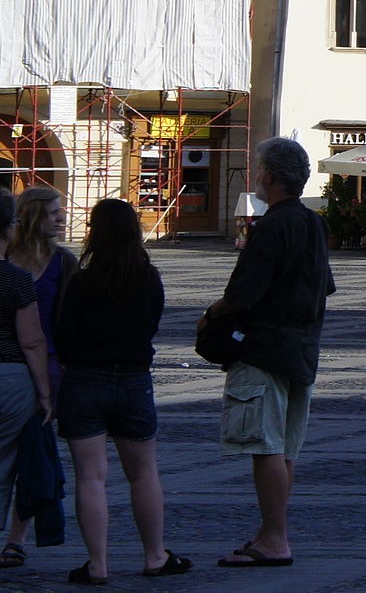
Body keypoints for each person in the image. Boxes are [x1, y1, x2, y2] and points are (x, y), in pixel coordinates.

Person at [201, 137, 335, 568]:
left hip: (264, 349)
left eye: (258, 169)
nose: (256, 176)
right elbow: (324, 286)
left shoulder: (272, 225)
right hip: (302, 349)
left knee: (265, 447)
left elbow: (242, 293)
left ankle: (275, 539)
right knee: (285, 449)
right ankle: (269, 532)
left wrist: (209, 315)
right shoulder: (314, 223)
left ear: (272, 177)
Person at [53, 198, 189, 581]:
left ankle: (97, 565)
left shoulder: (82, 281)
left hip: (84, 380)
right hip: (132, 379)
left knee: (91, 476)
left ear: (97, 232)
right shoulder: (149, 278)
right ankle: (155, 556)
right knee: (143, 472)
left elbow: (63, 336)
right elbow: (150, 326)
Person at [2, 187, 76, 564]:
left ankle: (16, 539)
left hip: (46, 366)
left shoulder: (63, 262)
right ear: (32, 217)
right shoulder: (7, 258)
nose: (61, 218)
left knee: (30, 453)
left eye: (60, 211)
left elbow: (72, 318)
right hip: (13, 366)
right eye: (52, 212)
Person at [0, 192, 53, 573]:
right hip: (10, 377)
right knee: (5, 465)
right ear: (10, 228)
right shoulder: (17, 280)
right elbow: (32, 340)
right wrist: (45, 392)